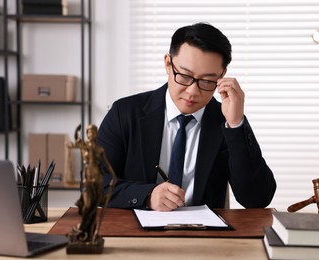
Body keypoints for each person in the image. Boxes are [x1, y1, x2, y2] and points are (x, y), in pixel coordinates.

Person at [97, 22, 276, 211]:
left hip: (204, 236)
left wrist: (236, 124)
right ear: (168, 63)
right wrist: (147, 196)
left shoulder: (225, 121)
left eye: (207, 81)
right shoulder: (125, 113)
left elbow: (257, 199)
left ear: (222, 75)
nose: (192, 91)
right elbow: (94, 185)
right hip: (135, 233)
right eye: (184, 76)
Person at [68, 124, 116, 242]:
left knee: (94, 208)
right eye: (89, 132)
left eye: (93, 132)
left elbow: (107, 165)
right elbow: (76, 139)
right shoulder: (84, 146)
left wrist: (114, 176)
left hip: (97, 180)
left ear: (96, 133)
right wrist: (76, 130)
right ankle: (82, 228)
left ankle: (90, 233)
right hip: (87, 180)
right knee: (87, 205)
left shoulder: (100, 149)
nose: (91, 134)